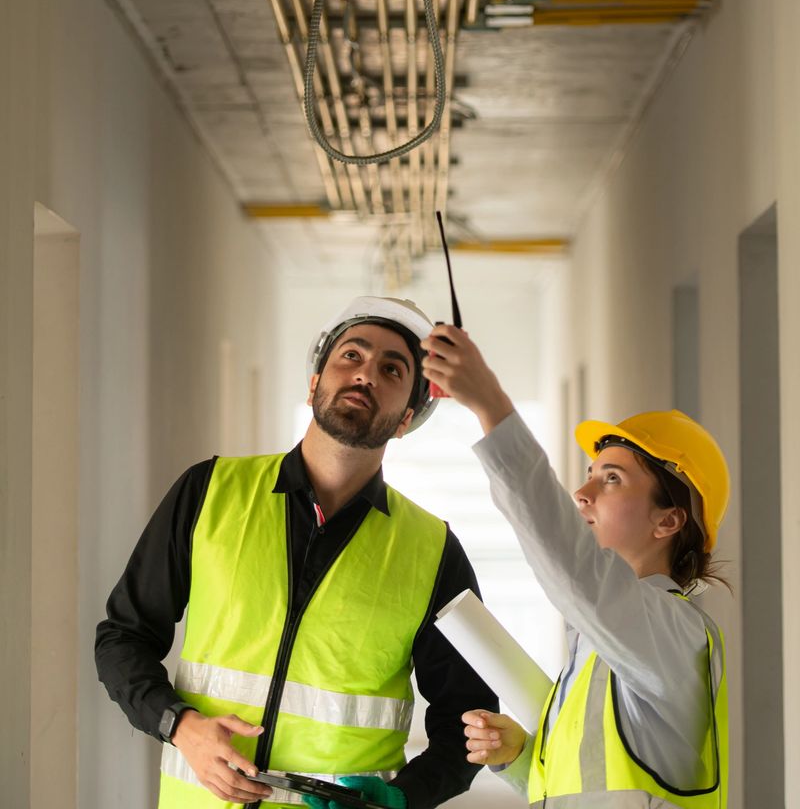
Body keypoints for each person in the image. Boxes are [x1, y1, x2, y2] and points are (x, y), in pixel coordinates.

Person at [95, 297, 498, 809]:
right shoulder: (210, 491)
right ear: (314, 386)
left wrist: (402, 800)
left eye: (392, 369)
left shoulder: (434, 551)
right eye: (351, 356)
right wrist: (180, 726)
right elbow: (122, 637)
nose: (366, 374)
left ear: (405, 419)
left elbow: (470, 718)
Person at [420, 324, 730, 809]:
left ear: (668, 520)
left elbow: (571, 565)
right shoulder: (600, 648)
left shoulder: (672, 631)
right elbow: (585, 792)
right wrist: (520, 756)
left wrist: (491, 406)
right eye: (590, 476)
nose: (583, 494)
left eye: (612, 479)